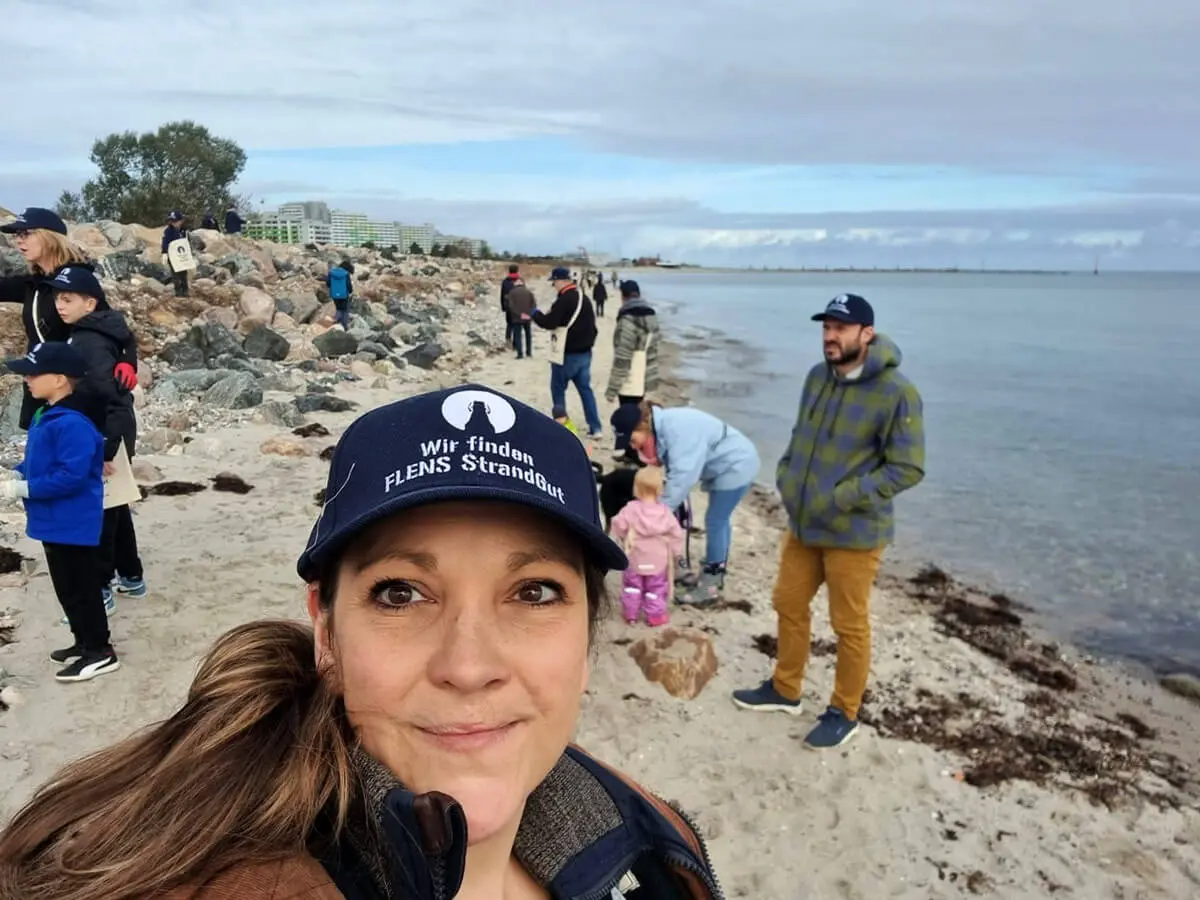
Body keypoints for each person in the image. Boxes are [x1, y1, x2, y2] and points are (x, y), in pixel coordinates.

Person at [0, 385, 723, 900]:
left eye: (534, 592)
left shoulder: (652, 843)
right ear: (327, 632)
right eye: (400, 592)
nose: (469, 666)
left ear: (587, 641)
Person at [733, 293, 925, 750]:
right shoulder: (817, 377)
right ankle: (785, 689)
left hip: (855, 534)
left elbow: (908, 468)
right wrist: (786, 476)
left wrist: (842, 497)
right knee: (787, 602)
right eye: (826, 327)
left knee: (848, 625)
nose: (830, 336)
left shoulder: (897, 393)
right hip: (805, 524)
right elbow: (800, 436)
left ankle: (845, 711)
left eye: (840, 328)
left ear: (866, 334)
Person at [0, 342, 117, 683]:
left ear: (60, 379)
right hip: (52, 520)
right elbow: (41, 460)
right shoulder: (46, 414)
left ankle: (100, 651)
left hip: (72, 520)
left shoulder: (73, 422)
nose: (27, 380)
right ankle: (83, 641)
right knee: (66, 587)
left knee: (82, 587)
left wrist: (25, 489)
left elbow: (72, 475)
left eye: (34, 374)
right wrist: (19, 472)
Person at [51, 267, 147, 607]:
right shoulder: (100, 327)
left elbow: (111, 398)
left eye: (67, 299)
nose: (59, 305)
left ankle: (101, 588)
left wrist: (104, 449)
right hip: (109, 432)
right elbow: (127, 341)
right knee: (115, 502)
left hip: (104, 434)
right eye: (57, 299)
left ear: (90, 303)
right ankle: (132, 576)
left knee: (100, 511)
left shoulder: (88, 341)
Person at [0, 207, 137, 431]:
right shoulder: (34, 283)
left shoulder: (76, 280)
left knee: (74, 447)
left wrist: (127, 361)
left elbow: (111, 324)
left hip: (76, 390)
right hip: (42, 385)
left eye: (26, 234)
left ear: (48, 236)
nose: (19, 240)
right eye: (17, 235)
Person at [611, 400, 759, 605]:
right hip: (731, 462)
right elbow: (675, 472)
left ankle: (711, 583)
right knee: (720, 520)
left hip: (736, 464)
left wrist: (653, 512)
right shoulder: (661, 428)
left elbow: (683, 478)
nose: (632, 446)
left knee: (716, 520)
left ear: (643, 426)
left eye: (632, 440)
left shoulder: (677, 431)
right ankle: (712, 568)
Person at [609, 465, 684, 627]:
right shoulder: (665, 513)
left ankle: (631, 614)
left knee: (632, 587)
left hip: (635, 559)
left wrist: (623, 537)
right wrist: (676, 552)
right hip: (658, 561)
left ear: (636, 488)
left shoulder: (631, 509)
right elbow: (676, 534)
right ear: (660, 490)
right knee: (656, 589)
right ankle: (654, 616)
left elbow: (617, 524)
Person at [532, 266, 602, 435]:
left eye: (554, 282)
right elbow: (593, 328)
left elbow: (549, 323)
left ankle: (562, 430)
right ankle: (596, 428)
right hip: (585, 353)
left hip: (566, 354)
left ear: (560, 281)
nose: (553, 286)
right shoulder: (583, 298)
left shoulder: (563, 300)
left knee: (558, 390)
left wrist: (535, 314)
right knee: (586, 390)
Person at [605, 279, 660, 406]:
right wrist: (651, 384)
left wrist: (612, 390)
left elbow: (623, 358)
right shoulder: (652, 317)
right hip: (645, 379)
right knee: (640, 414)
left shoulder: (627, 320)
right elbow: (653, 351)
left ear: (623, 296)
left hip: (629, 383)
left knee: (628, 415)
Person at [161, 211, 190, 298]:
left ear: (181, 221)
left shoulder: (184, 231)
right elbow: (165, 242)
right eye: (171, 221)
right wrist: (164, 253)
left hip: (182, 255)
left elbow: (186, 243)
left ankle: (185, 291)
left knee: (183, 274)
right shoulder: (168, 231)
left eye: (175, 221)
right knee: (175, 274)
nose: (173, 223)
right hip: (173, 256)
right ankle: (178, 292)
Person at [505, 276, 535, 359]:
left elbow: (511, 306)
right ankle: (529, 352)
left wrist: (520, 314)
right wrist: (529, 314)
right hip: (527, 317)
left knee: (517, 335)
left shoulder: (512, 293)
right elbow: (534, 305)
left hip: (517, 317)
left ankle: (520, 354)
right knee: (528, 335)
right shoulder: (529, 292)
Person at [326, 260, 354, 329]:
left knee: (338, 308)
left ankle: (336, 323)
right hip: (344, 294)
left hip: (334, 294)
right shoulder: (346, 274)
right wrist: (350, 291)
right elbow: (348, 284)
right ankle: (344, 326)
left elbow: (328, 283)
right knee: (345, 309)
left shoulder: (331, 273)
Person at [499, 263, 520, 344]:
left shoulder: (505, 281)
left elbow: (502, 294)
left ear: (509, 271)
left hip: (508, 305)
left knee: (509, 324)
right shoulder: (520, 280)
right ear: (517, 271)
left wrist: (503, 306)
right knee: (517, 324)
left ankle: (508, 340)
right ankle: (516, 342)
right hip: (518, 306)